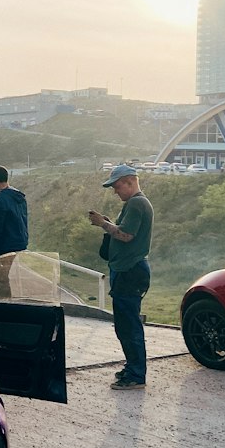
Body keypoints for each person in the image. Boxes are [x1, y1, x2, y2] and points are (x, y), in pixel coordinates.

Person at [88, 164, 154, 388]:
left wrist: (103, 224)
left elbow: (125, 235)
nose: (116, 191)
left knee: (128, 324)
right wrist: (108, 224)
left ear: (129, 181)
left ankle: (136, 375)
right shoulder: (134, 203)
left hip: (130, 271)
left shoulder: (136, 203)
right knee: (124, 323)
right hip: (127, 270)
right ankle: (133, 367)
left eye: (117, 186)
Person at [0, 165, 28, 299]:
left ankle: (3, 306)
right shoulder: (19, 197)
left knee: (1, 279)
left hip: (5, 245)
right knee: (8, 278)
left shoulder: (0, 199)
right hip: (20, 242)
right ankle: (8, 303)